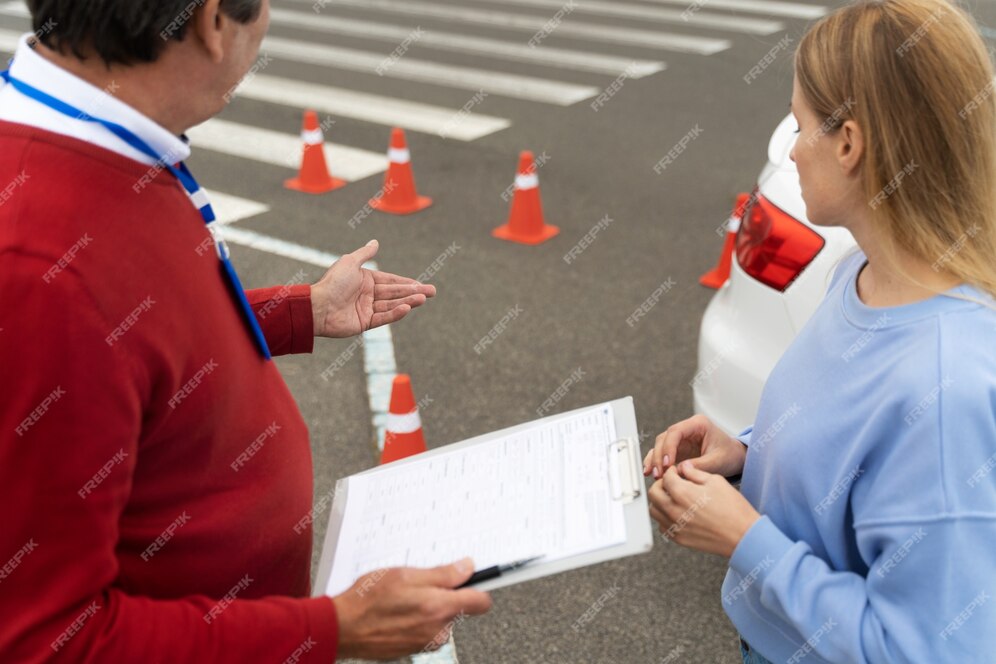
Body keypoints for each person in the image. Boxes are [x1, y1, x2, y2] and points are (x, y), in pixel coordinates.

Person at [0, 0, 491, 660]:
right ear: (211, 22)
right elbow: (48, 641)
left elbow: (133, 344)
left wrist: (299, 312)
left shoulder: (100, 141)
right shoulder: (40, 263)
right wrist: (331, 630)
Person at [643, 0, 996, 661]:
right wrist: (748, 456)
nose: (791, 152)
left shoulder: (947, 388)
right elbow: (853, 467)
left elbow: (927, 651)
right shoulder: (861, 275)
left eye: (800, 126)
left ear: (850, 143)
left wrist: (747, 541)